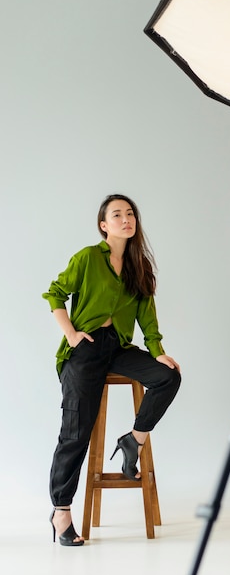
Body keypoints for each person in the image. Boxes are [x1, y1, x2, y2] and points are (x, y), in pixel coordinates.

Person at [43, 194, 181, 546]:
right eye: (116, 214)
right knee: (76, 431)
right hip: (86, 350)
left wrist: (158, 352)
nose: (126, 219)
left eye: (130, 213)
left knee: (168, 377)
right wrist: (72, 335)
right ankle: (61, 511)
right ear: (104, 225)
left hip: (118, 348)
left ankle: (133, 440)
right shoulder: (89, 258)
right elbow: (55, 294)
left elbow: (148, 320)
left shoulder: (139, 267)